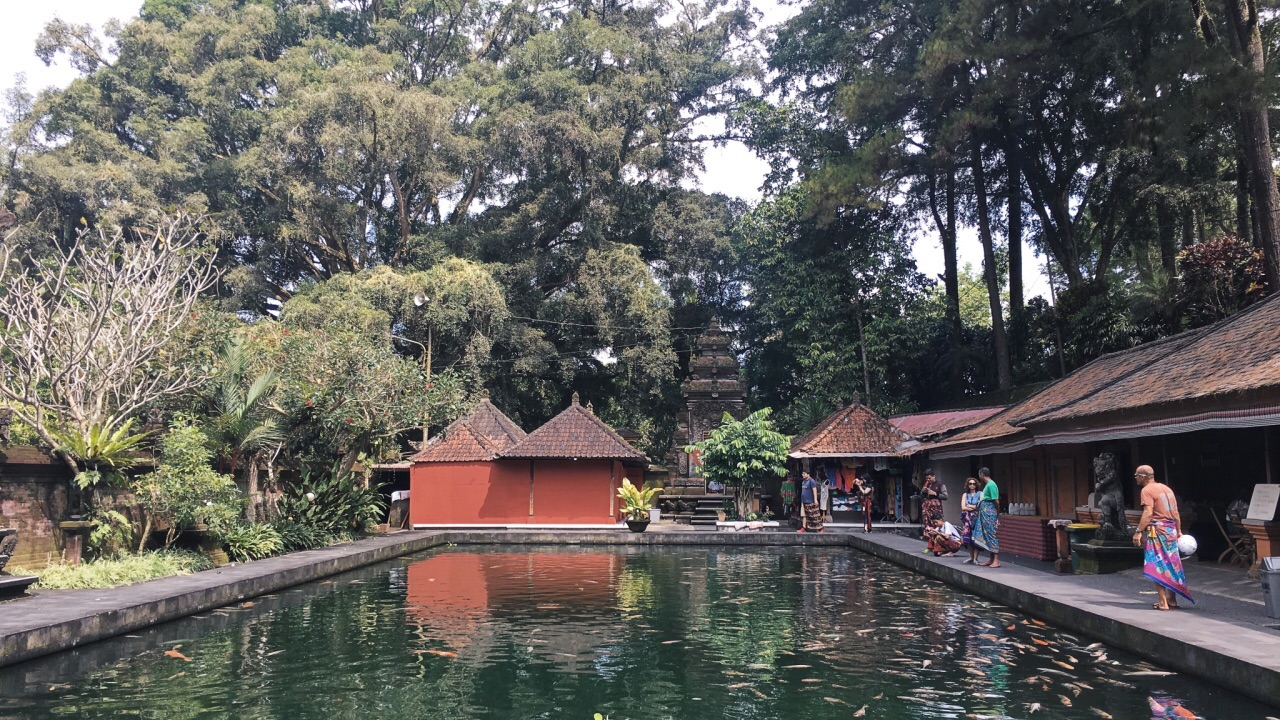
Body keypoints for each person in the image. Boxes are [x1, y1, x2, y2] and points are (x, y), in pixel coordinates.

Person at [1133, 465, 1193, 610]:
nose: (1135, 478)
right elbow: (1176, 513)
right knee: (1172, 564)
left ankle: (1162, 602)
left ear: (1143, 476)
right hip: (1171, 530)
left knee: (1158, 565)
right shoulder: (1167, 489)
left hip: (1157, 531)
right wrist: (1178, 530)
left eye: (1136, 476)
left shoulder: (1146, 490)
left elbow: (1148, 513)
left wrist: (1138, 531)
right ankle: (1172, 599)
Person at [971, 467, 1001, 568]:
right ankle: (991, 559)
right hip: (985, 511)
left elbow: (996, 500)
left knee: (991, 534)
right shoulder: (988, 485)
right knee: (986, 533)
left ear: (981, 474)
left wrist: (997, 512)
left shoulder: (991, 485)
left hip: (989, 511)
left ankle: (996, 560)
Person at [960, 478, 982, 564]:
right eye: (970, 484)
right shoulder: (965, 495)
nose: (972, 485)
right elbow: (963, 507)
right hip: (967, 519)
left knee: (976, 538)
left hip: (977, 519)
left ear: (976, 485)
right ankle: (972, 557)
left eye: (973, 484)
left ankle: (976, 558)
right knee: (967, 538)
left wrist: (969, 506)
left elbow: (980, 506)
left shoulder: (980, 494)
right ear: (968, 485)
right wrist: (974, 507)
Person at [919, 469, 945, 538]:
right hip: (927, 508)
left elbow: (945, 496)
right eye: (926, 478)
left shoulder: (940, 485)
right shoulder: (926, 484)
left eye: (929, 478)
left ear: (934, 476)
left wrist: (935, 494)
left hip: (936, 508)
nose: (928, 480)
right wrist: (923, 491)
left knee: (936, 524)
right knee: (927, 524)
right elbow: (921, 495)